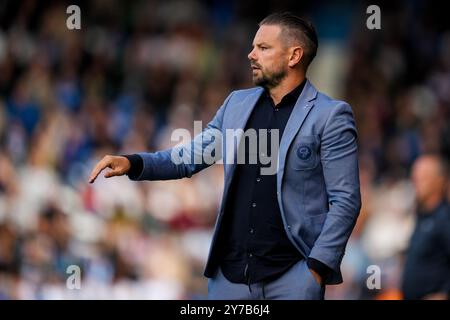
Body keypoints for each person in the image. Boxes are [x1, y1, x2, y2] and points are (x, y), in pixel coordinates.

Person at [89, 12, 361, 300]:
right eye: (254, 46)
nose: (251, 54)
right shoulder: (236, 104)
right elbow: (190, 156)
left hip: (292, 277)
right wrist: (134, 163)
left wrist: (316, 269)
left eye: (263, 48)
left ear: (294, 56)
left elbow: (345, 199)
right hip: (229, 278)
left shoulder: (330, 116)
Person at [401, 155, 450, 300]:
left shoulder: (444, 218)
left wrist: (445, 293)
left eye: (422, 178)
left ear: (439, 181)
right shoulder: (421, 216)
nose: (415, 183)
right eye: (414, 178)